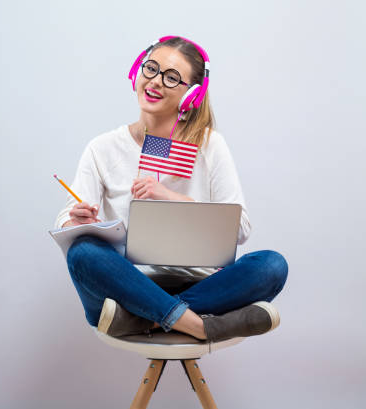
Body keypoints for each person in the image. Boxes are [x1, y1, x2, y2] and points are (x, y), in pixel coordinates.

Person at [53, 36, 288, 342]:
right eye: (151, 69)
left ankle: (147, 320)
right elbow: (65, 222)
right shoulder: (102, 148)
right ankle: (201, 325)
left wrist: (173, 198)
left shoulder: (210, 145)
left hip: (198, 285)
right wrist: (74, 220)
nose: (155, 82)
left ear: (191, 95)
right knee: (83, 253)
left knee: (271, 265)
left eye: (171, 77)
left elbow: (241, 228)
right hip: (126, 285)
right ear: (136, 72)